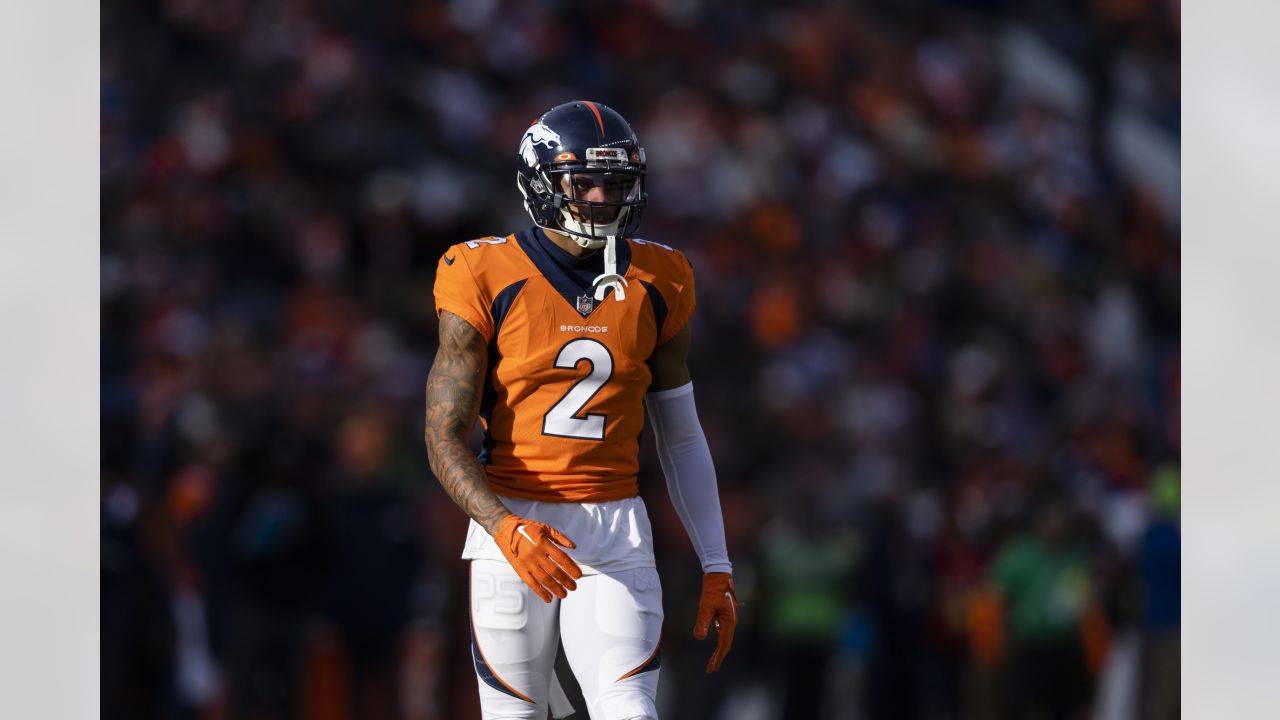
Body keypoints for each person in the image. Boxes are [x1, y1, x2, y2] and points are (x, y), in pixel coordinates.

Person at [425, 100, 739, 720]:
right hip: (512, 522)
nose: (603, 197)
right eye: (585, 182)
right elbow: (443, 435)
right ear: (540, 184)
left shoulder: (663, 276)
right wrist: (501, 525)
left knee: (630, 711)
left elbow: (679, 433)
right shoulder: (480, 270)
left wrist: (716, 561)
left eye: (617, 183)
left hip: (615, 526)